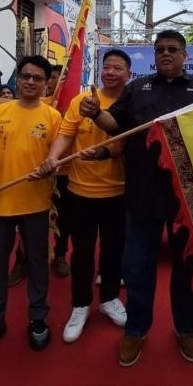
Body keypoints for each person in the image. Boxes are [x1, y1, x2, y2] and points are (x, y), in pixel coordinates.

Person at [79, 30, 193, 367]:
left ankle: (187, 329)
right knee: (137, 268)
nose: (165, 54)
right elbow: (114, 125)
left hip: (188, 197)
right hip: (142, 194)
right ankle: (136, 330)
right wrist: (95, 113)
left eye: (172, 49)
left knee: (187, 268)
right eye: (160, 50)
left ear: (185, 55)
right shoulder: (137, 88)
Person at [0, 55, 62, 362]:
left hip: (36, 203)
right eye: (25, 76)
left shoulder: (53, 117)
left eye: (37, 78)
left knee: (37, 265)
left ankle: (38, 317)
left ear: (46, 84)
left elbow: (58, 156)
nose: (30, 81)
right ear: (18, 79)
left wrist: (51, 165)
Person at [38, 49, 132, 344]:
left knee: (114, 250)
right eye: (107, 67)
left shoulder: (131, 103)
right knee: (81, 251)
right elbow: (65, 134)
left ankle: (109, 299)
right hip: (80, 191)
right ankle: (80, 305)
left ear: (128, 74)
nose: (111, 72)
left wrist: (104, 152)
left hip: (119, 191)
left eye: (118, 68)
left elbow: (125, 143)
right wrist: (53, 158)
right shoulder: (82, 100)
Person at [44, 64, 73, 278]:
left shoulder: (74, 106)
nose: (56, 82)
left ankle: (60, 254)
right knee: (32, 218)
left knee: (64, 218)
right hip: (39, 172)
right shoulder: (39, 104)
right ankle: (24, 258)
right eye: (53, 78)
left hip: (65, 173)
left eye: (61, 78)